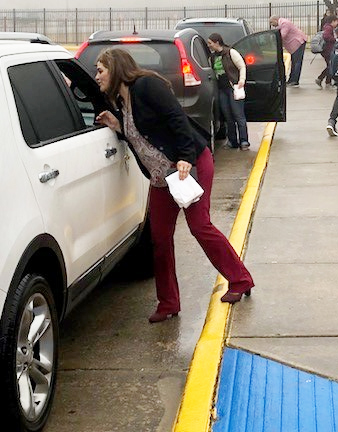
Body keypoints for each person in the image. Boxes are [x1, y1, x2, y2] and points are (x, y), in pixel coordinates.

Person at [94, 48, 254, 323]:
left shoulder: (146, 85)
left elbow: (176, 119)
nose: (96, 76)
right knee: (160, 239)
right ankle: (168, 302)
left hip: (188, 166)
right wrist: (117, 125)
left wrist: (185, 158)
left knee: (200, 227)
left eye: (100, 70)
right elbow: (143, 133)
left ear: (116, 68)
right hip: (161, 179)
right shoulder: (121, 102)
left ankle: (240, 280)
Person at [206, 33, 249, 150]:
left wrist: (241, 80)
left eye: (210, 43)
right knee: (227, 116)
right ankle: (232, 140)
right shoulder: (213, 57)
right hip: (221, 89)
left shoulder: (230, 53)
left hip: (234, 88)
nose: (209, 45)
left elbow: (242, 66)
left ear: (217, 42)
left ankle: (244, 140)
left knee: (238, 114)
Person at [268, 15, 306, 87]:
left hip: (298, 42)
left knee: (297, 62)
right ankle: (291, 80)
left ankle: (294, 80)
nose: (271, 25)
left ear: (275, 20)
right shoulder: (282, 23)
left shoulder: (284, 23)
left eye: (271, 22)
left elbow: (282, 35)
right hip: (295, 44)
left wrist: (273, 40)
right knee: (294, 62)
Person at [314, 14, 338, 88]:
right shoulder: (329, 28)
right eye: (336, 21)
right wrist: (335, 40)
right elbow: (326, 36)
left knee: (330, 66)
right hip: (328, 50)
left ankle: (325, 80)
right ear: (333, 21)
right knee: (330, 66)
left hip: (327, 50)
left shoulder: (327, 27)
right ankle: (322, 80)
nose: (337, 23)